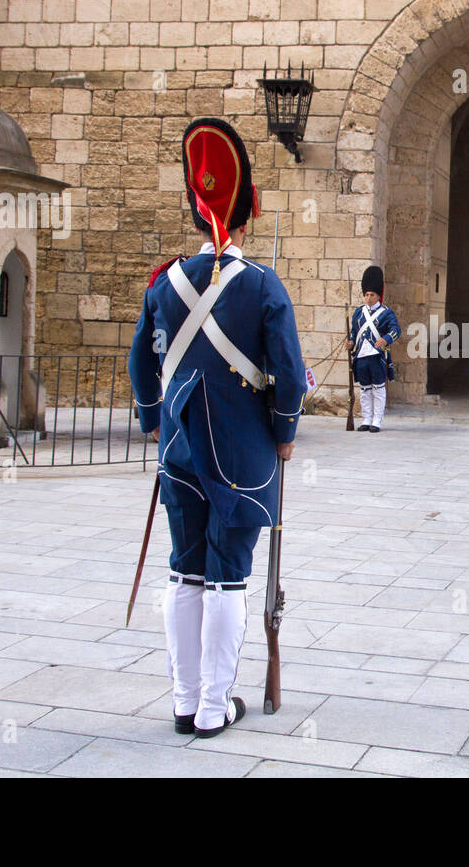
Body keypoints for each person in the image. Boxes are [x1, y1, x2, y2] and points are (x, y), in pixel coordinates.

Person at [128, 117, 306, 738]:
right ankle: (212, 705)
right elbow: (288, 370)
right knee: (228, 573)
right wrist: (285, 428)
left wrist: (154, 418)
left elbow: (141, 360)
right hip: (241, 455)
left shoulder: (164, 284)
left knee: (184, 568)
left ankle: (184, 699)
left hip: (178, 446)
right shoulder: (261, 285)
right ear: (247, 208)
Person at [345, 265, 400, 433]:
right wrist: (351, 342)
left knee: (378, 389)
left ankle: (377, 420)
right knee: (364, 389)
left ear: (378, 296)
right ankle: (366, 419)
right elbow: (354, 331)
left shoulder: (386, 313)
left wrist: (385, 339)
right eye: (366, 295)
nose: (368, 298)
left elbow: (396, 330)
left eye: (372, 295)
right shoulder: (358, 313)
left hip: (377, 357)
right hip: (361, 357)